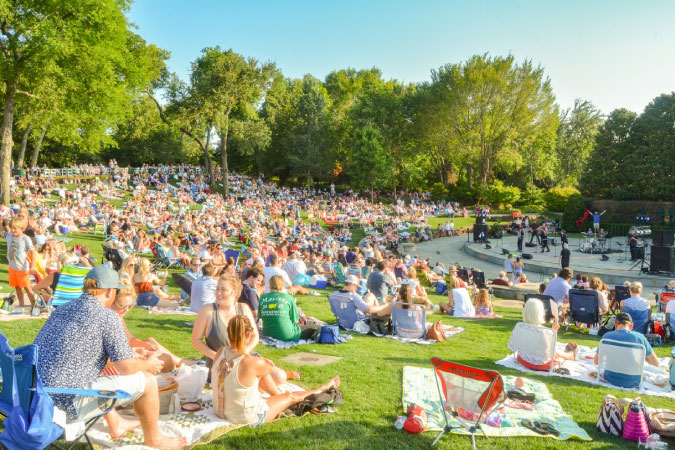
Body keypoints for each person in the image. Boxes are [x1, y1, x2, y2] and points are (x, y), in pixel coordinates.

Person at [33, 265, 186, 449]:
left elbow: (78, 353)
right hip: (64, 404)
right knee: (148, 381)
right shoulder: (107, 317)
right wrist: (148, 364)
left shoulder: (63, 309)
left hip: (36, 396)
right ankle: (155, 440)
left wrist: (134, 354)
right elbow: (126, 368)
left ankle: (118, 423)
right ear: (110, 291)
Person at [213, 315, 340, 427]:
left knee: (259, 377)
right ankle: (321, 389)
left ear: (228, 332)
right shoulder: (253, 362)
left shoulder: (220, 352)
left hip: (220, 410)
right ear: (248, 335)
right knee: (291, 397)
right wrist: (261, 360)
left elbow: (245, 363)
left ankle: (277, 396)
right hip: (244, 416)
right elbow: (268, 367)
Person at [109, 280, 184, 373]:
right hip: (121, 364)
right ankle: (181, 364)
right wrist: (136, 353)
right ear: (111, 301)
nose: (126, 310)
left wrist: (146, 347)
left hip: (126, 356)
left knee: (150, 342)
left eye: (130, 306)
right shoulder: (108, 320)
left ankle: (181, 362)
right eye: (121, 306)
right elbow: (113, 358)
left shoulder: (118, 317)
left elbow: (131, 340)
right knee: (167, 359)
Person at [191, 275, 258, 370]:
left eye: (223, 290)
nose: (218, 293)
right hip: (220, 363)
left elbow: (255, 336)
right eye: (217, 289)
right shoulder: (207, 311)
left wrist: (244, 352)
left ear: (234, 292)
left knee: (278, 375)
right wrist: (217, 357)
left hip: (245, 358)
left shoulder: (244, 308)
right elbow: (196, 341)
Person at [508, 298, 577, 371]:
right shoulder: (545, 331)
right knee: (558, 357)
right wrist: (554, 331)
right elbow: (551, 352)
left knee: (553, 353)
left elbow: (511, 346)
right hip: (542, 365)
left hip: (523, 360)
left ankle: (569, 355)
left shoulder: (519, 326)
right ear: (540, 312)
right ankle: (569, 356)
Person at [593, 312, 659, 388]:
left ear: (616, 324)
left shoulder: (607, 336)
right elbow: (655, 362)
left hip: (611, 378)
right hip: (634, 381)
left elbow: (596, 361)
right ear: (631, 325)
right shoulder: (640, 338)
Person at [258, 275, 318, 341]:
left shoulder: (263, 297)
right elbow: (295, 320)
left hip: (267, 333)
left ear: (270, 284)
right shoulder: (288, 297)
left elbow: (261, 316)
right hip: (287, 335)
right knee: (315, 328)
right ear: (282, 284)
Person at [4, 216, 37, 309]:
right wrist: (2, 221)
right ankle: (21, 305)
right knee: (17, 287)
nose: (13, 230)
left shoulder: (26, 239)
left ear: (22, 229)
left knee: (27, 287)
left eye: (15, 229)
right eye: (12, 228)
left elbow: (33, 253)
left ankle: (34, 305)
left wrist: (33, 266)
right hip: (12, 267)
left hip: (22, 268)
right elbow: (1, 231)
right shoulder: (9, 236)